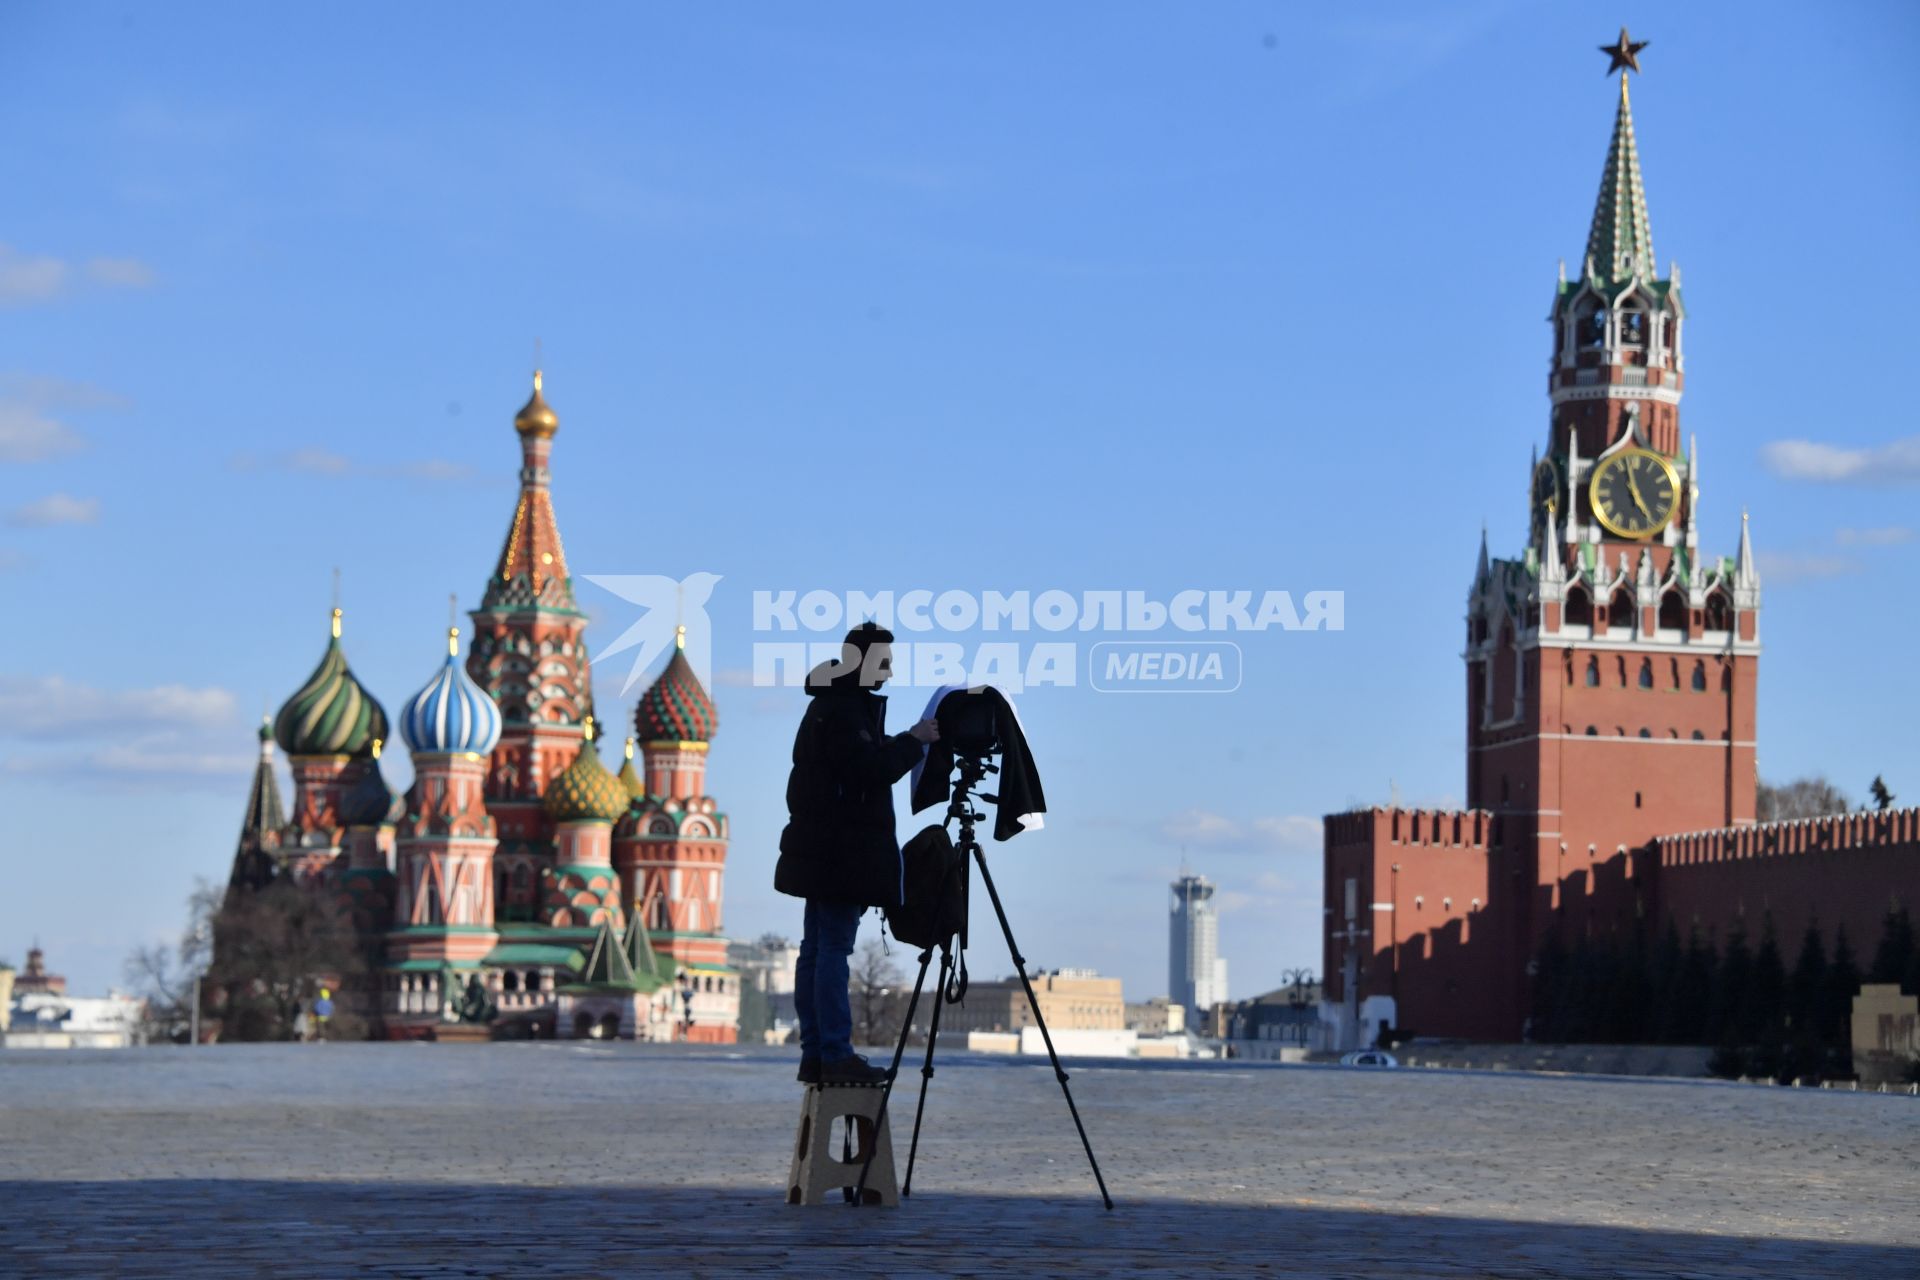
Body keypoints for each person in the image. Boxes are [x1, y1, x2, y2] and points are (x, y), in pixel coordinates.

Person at [775, 622, 938, 1085]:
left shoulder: (833, 705)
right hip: (840, 854)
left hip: (822, 850)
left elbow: (853, 767)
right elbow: (869, 770)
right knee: (831, 951)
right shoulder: (845, 710)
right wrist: (915, 740)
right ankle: (834, 1053)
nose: (888, 671)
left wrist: (898, 740)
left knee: (816, 950)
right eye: (883, 661)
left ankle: (816, 1053)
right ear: (863, 661)